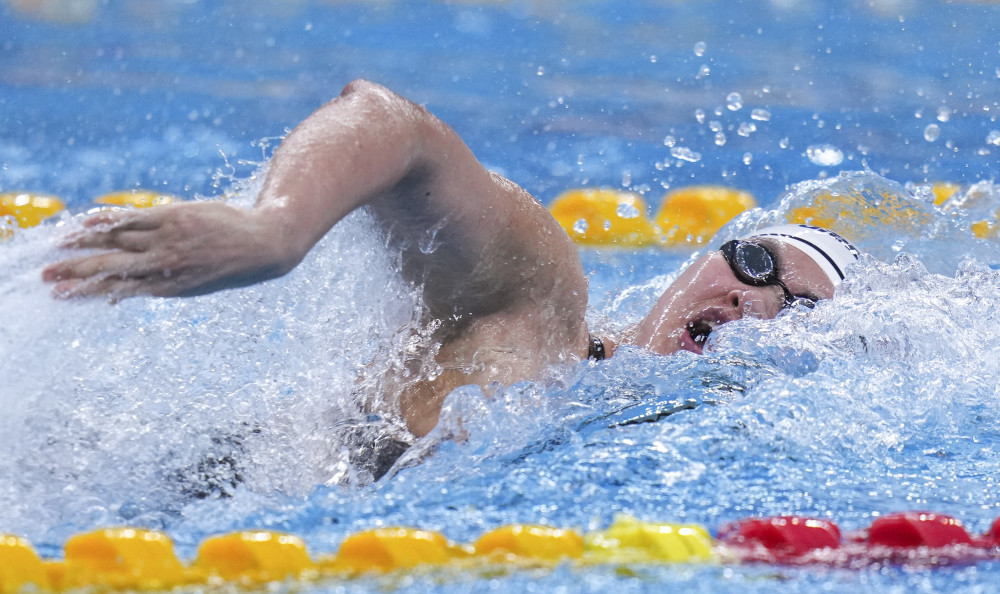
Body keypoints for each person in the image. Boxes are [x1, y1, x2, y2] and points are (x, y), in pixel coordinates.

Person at [41, 79, 859, 446]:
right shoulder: (545, 301)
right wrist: (277, 229)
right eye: (756, 262)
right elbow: (396, 126)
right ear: (696, 261)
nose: (759, 302)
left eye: (802, 310)